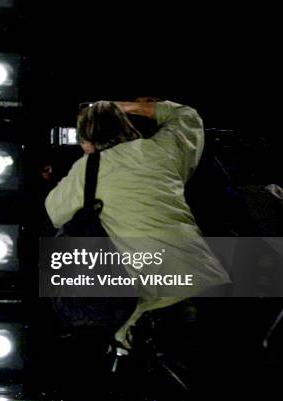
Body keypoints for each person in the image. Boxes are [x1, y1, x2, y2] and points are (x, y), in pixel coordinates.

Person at [44, 100, 231, 349]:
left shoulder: (87, 169)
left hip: (158, 305)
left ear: (86, 141)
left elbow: (55, 213)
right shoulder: (162, 151)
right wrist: (128, 107)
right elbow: (187, 115)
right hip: (211, 285)